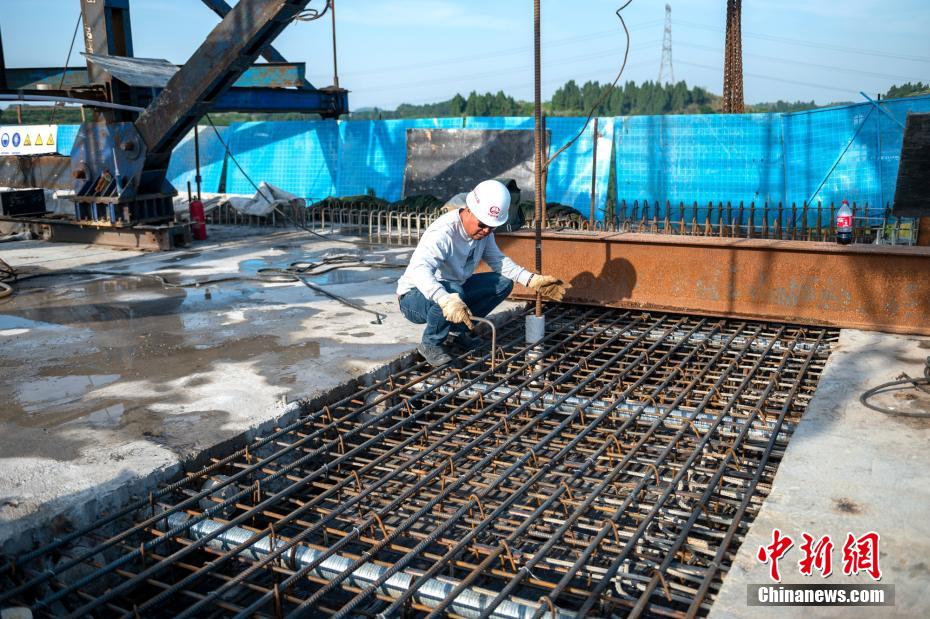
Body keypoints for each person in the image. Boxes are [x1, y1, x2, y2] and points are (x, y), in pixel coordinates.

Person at [396, 179, 568, 366]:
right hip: (414, 297)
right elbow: (420, 271)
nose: (486, 231)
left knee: (503, 283)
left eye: (491, 227)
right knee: (454, 292)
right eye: (482, 224)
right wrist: (444, 298)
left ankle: (458, 331)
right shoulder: (443, 233)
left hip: (454, 292)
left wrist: (531, 279)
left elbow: (499, 261)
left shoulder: (484, 233)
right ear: (469, 210)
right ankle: (431, 343)